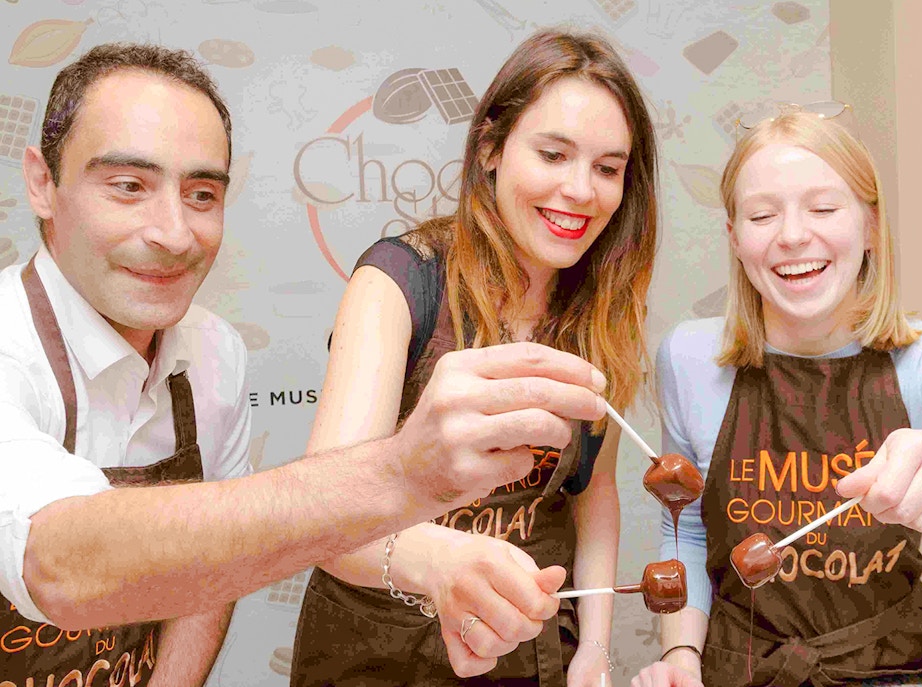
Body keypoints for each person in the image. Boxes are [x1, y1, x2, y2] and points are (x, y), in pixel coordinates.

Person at [1, 43, 607, 686]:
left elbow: (210, 575)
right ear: (43, 182)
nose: (173, 232)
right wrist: (398, 476)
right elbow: (57, 562)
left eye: (202, 193)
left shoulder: (212, 352)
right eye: (128, 187)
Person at [289, 29, 658, 687]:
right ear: (490, 147)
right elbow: (327, 516)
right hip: (380, 656)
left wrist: (594, 648)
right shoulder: (400, 281)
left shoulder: (601, 307)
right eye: (553, 154)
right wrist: (446, 562)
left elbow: (593, 492)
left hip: (530, 657)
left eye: (607, 167)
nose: (581, 190)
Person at [630, 110, 922, 687]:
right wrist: (680, 655)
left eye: (824, 208)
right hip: (739, 669)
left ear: (872, 226)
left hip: (897, 668)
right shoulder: (690, 358)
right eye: (761, 215)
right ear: (734, 238)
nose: (793, 235)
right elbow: (687, 527)